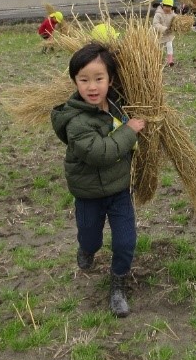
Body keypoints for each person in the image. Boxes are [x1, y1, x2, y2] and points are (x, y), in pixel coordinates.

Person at [51, 42, 146, 317]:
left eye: (99, 79)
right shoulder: (76, 123)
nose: (92, 87)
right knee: (91, 238)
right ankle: (87, 250)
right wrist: (130, 130)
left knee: (126, 242)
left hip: (119, 190)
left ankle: (118, 284)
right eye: (84, 80)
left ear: (111, 80)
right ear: (74, 82)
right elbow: (101, 153)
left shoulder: (118, 104)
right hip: (88, 193)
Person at [153, 0, 177, 67]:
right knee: (159, 48)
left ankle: (170, 61)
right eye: (166, 7)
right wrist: (163, 29)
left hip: (168, 34)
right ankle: (157, 60)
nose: (168, 9)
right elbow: (155, 24)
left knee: (169, 46)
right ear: (162, 5)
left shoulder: (172, 14)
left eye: (169, 7)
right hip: (159, 34)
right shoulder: (158, 14)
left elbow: (176, 20)